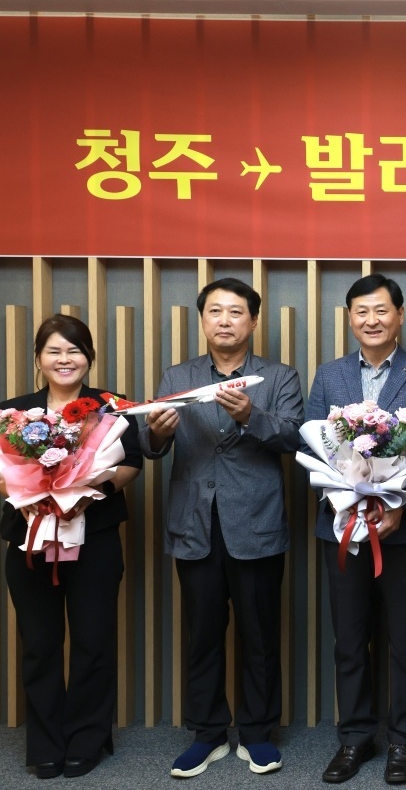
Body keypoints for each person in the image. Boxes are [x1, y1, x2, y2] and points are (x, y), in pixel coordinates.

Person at [141, 278, 303, 778]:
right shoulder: (178, 375)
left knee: (259, 634)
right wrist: (155, 435)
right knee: (203, 634)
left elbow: (295, 438)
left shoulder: (278, 376)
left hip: (256, 522)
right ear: (203, 320)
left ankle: (257, 733)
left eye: (236, 312)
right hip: (195, 523)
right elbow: (152, 446)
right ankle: (208, 734)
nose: (225, 320)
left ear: (253, 321)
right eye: (215, 311)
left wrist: (252, 416)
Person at [308, 274, 406, 786]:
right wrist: (343, 499)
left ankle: (403, 739)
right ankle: (354, 738)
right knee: (349, 638)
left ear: (400, 315)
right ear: (350, 318)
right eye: (361, 311)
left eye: (382, 310)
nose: (372, 320)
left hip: (403, 530)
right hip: (342, 526)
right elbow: (311, 442)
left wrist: (399, 507)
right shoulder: (329, 375)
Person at [1, 315, 143, 779]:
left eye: (75, 350)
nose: (65, 359)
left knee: (93, 641)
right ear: (39, 358)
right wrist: (26, 492)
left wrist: (93, 487)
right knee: (39, 644)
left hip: (94, 539)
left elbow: (132, 463)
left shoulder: (111, 407)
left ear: (89, 357)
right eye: (54, 351)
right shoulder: (12, 412)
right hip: (29, 542)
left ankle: (87, 738)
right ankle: (45, 743)